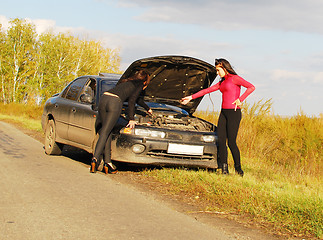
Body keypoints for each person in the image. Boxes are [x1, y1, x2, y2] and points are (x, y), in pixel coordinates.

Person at [181, 58, 255, 176]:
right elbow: (207, 90)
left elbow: (251, 87)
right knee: (221, 141)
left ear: (225, 68)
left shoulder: (235, 79)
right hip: (223, 113)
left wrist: (240, 99)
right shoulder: (222, 82)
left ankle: (238, 169)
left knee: (231, 142)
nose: (217, 72)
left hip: (234, 113)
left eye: (218, 70)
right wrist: (191, 97)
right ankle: (224, 169)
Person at [91, 69, 152, 174]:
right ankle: (95, 159)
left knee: (107, 131)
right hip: (114, 103)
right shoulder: (140, 84)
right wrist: (131, 118)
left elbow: (137, 100)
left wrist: (147, 108)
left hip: (104, 98)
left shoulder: (127, 82)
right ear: (145, 80)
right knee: (105, 132)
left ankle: (108, 163)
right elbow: (132, 101)